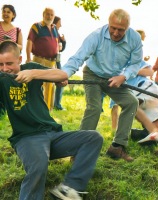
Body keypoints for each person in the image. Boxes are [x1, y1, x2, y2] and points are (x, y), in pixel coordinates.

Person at [0, 40, 103, 200]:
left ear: (20, 60)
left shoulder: (31, 69)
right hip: (27, 138)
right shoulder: (2, 80)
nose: (5, 69)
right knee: (38, 166)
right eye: (0, 64)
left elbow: (62, 75)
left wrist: (34, 74)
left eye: (9, 63)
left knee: (93, 138)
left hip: (52, 134)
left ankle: (70, 188)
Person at [62, 8, 143, 162]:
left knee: (131, 102)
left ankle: (117, 147)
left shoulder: (135, 39)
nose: (116, 33)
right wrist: (65, 73)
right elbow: (78, 57)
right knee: (94, 107)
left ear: (128, 27)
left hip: (114, 78)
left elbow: (135, 64)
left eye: (121, 30)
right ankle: (79, 151)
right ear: (108, 24)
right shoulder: (96, 36)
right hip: (92, 74)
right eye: (113, 28)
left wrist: (123, 76)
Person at [109, 61, 158, 142]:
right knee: (150, 117)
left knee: (132, 104)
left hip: (146, 87)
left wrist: (129, 73)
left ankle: (154, 131)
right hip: (146, 96)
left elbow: (150, 72)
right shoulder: (114, 79)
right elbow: (114, 109)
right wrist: (114, 131)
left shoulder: (131, 61)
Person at [26, 7, 59, 111]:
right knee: (36, 86)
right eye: (47, 14)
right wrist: (28, 58)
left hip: (52, 62)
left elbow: (56, 43)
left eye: (51, 15)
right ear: (43, 14)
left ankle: (48, 111)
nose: (49, 17)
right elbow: (29, 42)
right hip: (39, 60)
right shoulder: (36, 26)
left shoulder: (54, 28)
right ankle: (35, 110)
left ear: (54, 17)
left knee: (50, 87)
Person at [0, 4, 23, 117]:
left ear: (13, 14)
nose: (5, 13)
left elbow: (20, 46)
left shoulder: (17, 30)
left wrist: (11, 44)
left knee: (7, 83)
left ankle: (5, 108)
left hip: (9, 62)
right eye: (4, 11)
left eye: (8, 12)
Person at [53, 16, 66, 111]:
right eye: (59, 22)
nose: (61, 25)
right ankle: (57, 104)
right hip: (54, 61)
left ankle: (57, 103)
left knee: (60, 80)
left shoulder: (57, 34)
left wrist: (64, 41)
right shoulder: (53, 33)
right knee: (61, 80)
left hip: (57, 59)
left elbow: (61, 49)